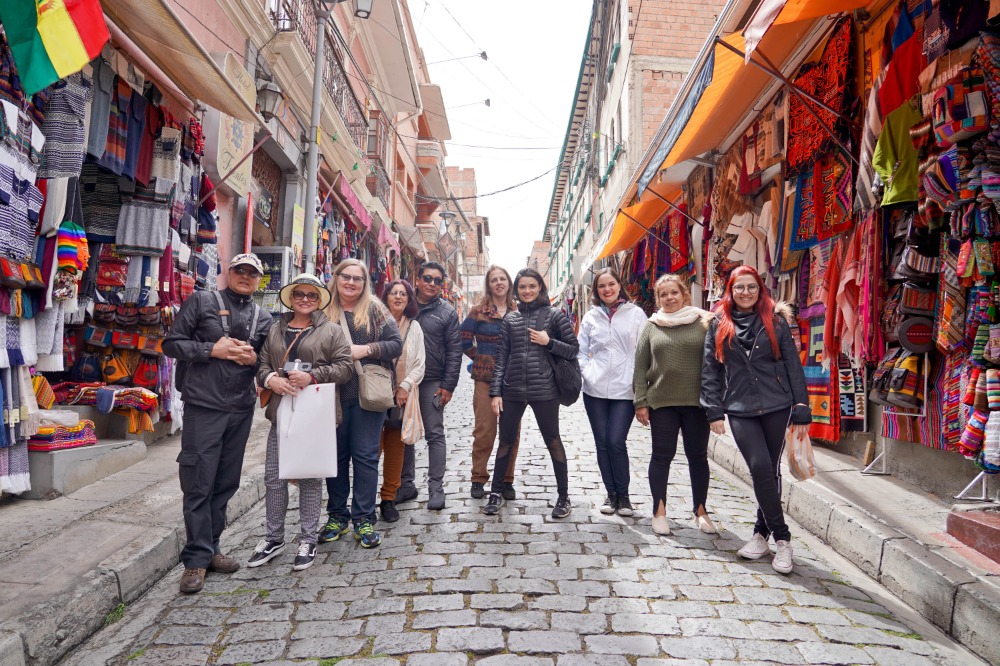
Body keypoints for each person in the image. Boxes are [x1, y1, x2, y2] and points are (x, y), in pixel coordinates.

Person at [163, 253, 273, 594]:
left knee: (225, 482)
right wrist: (212, 349)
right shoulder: (201, 300)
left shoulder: (264, 317)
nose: (245, 277)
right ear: (228, 273)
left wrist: (256, 360)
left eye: (252, 273)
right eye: (240, 271)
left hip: (240, 409)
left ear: (259, 280)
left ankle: (211, 548)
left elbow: (269, 364)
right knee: (198, 481)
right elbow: (171, 344)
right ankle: (195, 560)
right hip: (204, 406)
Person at [700, 265, 811, 574]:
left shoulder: (776, 322)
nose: (745, 292)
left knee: (770, 471)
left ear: (760, 289)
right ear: (730, 291)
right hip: (739, 407)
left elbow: (792, 366)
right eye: (739, 288)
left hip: (777, 404)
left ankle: (761, 535)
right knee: (760, 467)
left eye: (751, 287)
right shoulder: (718, 325)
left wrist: (801, 406)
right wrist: (713, 410)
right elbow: (710, 370)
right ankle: (783, 539)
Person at [249, 274, 353, 571]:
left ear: (319, 299)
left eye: (311, 295)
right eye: (299, 294)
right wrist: (271, 380)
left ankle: (307, 538)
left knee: (309, 477)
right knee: (274, 477)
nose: (305, 299)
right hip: (282, 408)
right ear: (291, 297)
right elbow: (263, 364)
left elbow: (346, 367)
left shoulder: (331, 331)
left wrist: (314, 376)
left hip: (315, 412)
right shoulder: (275, 329)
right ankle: (273, 537)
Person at [319, 259, 402, 549]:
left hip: (368, 395)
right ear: (336, 276)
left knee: (365, 457)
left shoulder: (376, 309)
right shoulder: (322, 308)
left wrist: (364, 350)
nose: (351, 283)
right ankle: (337, 516)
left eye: (358, 278)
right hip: (331, 394)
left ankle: (363, 518)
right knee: (337, 458)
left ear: (365, 282)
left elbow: (395, 344)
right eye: (346, 277)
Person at [486, 268, 579, 519]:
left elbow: (573, 349)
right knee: (505, 441)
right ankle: (495, 493)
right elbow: (502, 357)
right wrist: (496, 392)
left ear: (540, 288)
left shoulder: (555, 315)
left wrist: (549, 341)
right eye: (523, 287)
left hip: (545, 390)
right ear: (517, 290)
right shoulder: (511, 319)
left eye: (532, 286)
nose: (527, 291)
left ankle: (563, 496)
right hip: (513, 390)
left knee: (553, 440)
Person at [634, 274, 716, 537]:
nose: (669, 298)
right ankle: (659, 512)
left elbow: (716, 361)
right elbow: (640, 366)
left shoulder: (703, 320)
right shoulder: (651, 325)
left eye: (674, 293)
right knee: (661, 456)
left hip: (697, 402)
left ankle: (700, 511)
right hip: (662, 402)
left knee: (697, 457)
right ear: (658, 299)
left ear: (684, 294)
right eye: (663, 294)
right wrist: (640, 401)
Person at [577, 267, 648, 517]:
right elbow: (581, 350)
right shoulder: (591, 317)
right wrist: (588, 372)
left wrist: (640, 387)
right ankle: (611, 494)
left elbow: (644, 351)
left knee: (616, 441)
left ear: (619, 285)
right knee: (601, 443)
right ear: (596, 291)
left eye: (611, 284)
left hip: (625, 389)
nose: (607, 289)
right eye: (601, 286)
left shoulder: (636, 314)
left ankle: (624, 496)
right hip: (594, 390)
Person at [398, 261, 461, 510]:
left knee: (434, 434)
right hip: (404, 380)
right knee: (403, 433)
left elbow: (455, 352)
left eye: (437, 280)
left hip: (432, 381)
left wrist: (448, 386)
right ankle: (406, 485)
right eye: (427, 278)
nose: (432, 284)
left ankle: (436, 488)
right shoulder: (403, 305)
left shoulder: (447, 312)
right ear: (418, 279)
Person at [460, 265, 520, 500]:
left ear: (508, 283)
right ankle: (478, 477)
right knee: (484, 430)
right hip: (485, 379)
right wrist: (481, 359)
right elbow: (464, 340)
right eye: (494, 279)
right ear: (489, 284)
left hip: (513, 380)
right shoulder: (478, 311)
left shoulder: (519, 311)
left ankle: (507, 479)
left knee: (511, 433)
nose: (498, 283)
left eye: (502, 279)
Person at [378, 279, 426, 522]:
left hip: (400, 395)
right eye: (393, 293)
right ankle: (363, 501)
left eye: (403, 294)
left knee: (396, 449)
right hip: (373, 393)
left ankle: (388, 498)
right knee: (370, 450)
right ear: (385, 297)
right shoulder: (374, 320)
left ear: (409, 301)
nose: (397, 297)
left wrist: (405, 387)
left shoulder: (414, 327)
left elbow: (419, 364)